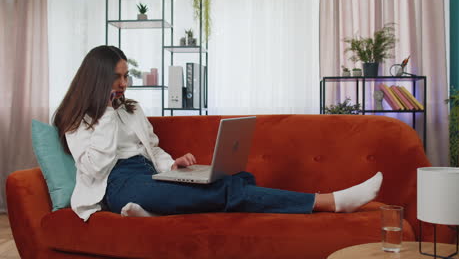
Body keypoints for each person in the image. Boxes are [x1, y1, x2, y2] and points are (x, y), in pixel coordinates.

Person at [53, 45, 383, 222]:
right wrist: (107, 115)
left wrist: (172, 166)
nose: (124, 84)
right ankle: (329, 202)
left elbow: (152, 150)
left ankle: (153, 211)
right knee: (230, 189)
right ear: (98, 79)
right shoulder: (77, 120)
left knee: (239, 177)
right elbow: (95, 168)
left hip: (147, 175)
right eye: (117, 77)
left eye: (126, 76)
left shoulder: (132, 109)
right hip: (117, 184)